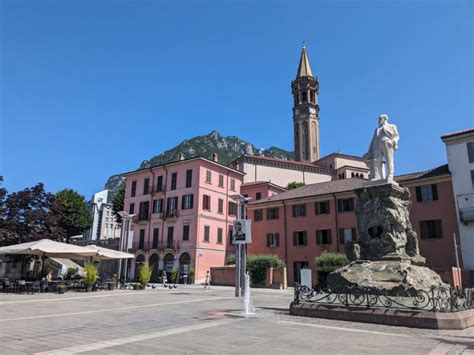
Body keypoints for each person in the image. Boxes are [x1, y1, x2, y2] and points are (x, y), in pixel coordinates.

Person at [364, 114, 400, 182]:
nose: (379, 121)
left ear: (384, 119)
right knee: (376, 161)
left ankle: (389, 176)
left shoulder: (391, 126)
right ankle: (377, 177)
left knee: (389, 160)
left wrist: (394, 141)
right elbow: (373, 140)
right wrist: (369, 151)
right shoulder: (377, 129)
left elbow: (397, 136)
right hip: (377, 146)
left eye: (380, 119)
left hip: (387, 143)